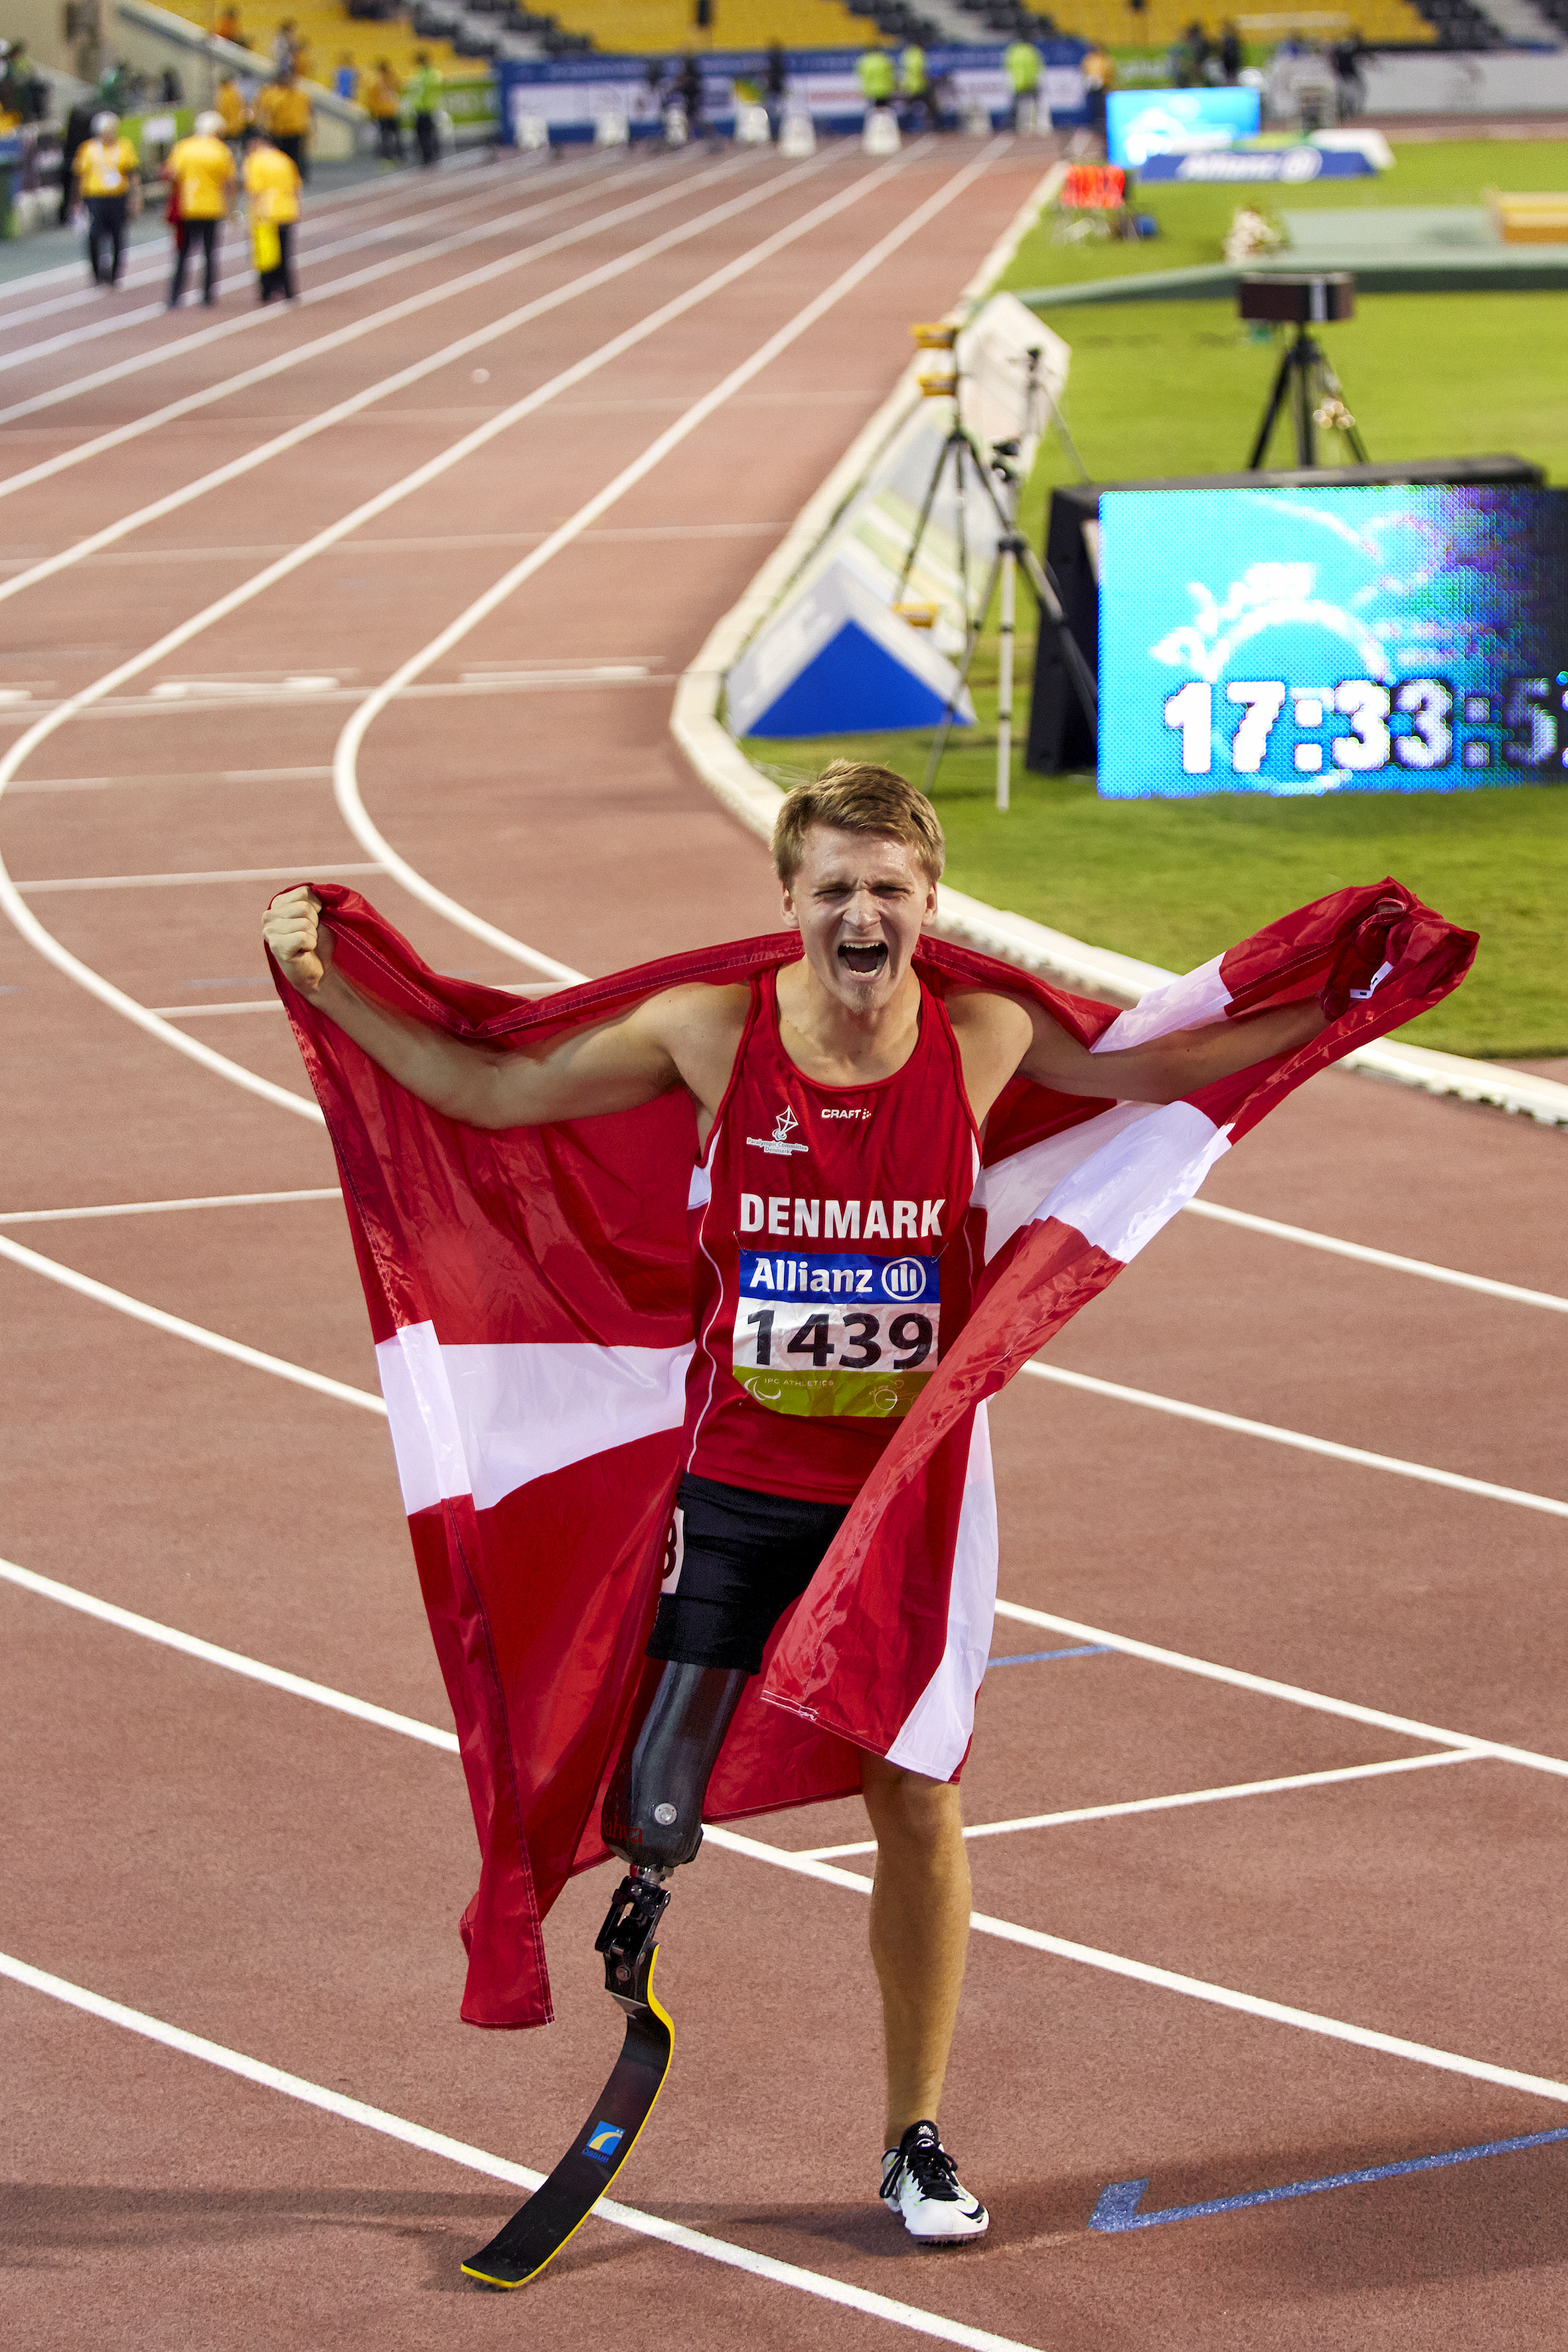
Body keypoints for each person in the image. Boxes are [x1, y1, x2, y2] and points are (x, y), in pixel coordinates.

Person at [260, 763, 1346, 2242]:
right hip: (731, 1483)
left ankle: (913, 2134)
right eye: (832, 886)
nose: (861, 911)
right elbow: (493, 1090)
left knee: (917, 1790)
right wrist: (329, 990)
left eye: (887, 889)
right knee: (647, 1781)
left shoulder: (981, 1036)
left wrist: (1347, 1007)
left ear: (927, 906)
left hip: (899, 1502)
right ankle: (640, 1909)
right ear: (786, 902)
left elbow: (1154, 1076)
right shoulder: (709, 1035)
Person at [164, 109, 234, 306]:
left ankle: (174, 296)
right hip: (212, 208)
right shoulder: (221, 150)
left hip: (188, 207)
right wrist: (232, 211)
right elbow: (229, 183)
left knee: (182, 254)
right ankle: (208, 296)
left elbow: (172, 176)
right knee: (210, 254)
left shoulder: (183, 147)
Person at [74, 110, 139, 287]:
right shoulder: (88, 148)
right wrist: (78, 201)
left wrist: (135, 197)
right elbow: (80, 175)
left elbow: (132, 174)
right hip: (95, 197)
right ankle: (97, 274)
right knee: (94, 235)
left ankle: (114, 275)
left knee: (118, 235)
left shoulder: (124, 146)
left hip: (118, 197)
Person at [243, 124, 300, 301]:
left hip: (265, 211)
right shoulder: (284, 159)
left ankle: (266, 292)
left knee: (265, 254)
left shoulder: (255, 161)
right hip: (286, 210)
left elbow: (255, 189)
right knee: (285, 253)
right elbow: (296, 185)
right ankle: (288, 290)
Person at [256, 64, 311, 178]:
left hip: (296, 131)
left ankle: (296, 177)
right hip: (278, 131)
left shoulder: (301, 95)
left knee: (296, 157)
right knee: (278, 157)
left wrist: (309, 129)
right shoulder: (272, 94)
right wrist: (262, 127)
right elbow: (263, 110)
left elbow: (309, 113)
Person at [406, 50, 441, 167]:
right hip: (425, 108)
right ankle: (430, 156)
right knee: (427, 134)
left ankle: (429, 157)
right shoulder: (429, 73)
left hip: (425, 109)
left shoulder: (425, 74)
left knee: (425, 135)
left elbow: (419, 91)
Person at [1002, 33, 1042, 131]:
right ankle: (1036, 125)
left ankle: (1012, 125)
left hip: (1017, 83)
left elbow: (1006, 66)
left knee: (1014, 107)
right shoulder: (1031, 50)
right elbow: (1037, 66)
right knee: (1036, 105)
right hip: (1030, 82)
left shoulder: (1012, 51)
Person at [364, 59, 402, 160]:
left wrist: (372, 112)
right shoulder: (392, 78)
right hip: (392, 111)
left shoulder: (377, 81)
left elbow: (372, 98)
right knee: (395, 136)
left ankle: (388, 157)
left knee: (385, 136)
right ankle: (398, 156)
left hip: (383, 112)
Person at [898, 40, 929, 132]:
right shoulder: (919, 53)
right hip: (919, 84)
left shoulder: (906, 54)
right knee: (922, 106)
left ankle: (907, 128)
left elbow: (903, 70)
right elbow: (922, 69)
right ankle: (921, 127)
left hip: (908, 85)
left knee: (909, 107)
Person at [214, 70, 251, 147]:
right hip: (234, 127)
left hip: (228, 128)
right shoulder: (233, 91)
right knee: (234, 147)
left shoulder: (223, 92)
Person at [856, 41, 896, 110]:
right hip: (885, 91)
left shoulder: (864, 61)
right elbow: (892, 75)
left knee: (874, 113)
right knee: (886, 112)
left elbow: (862, 76)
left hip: (871, 92)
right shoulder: (886, 59)